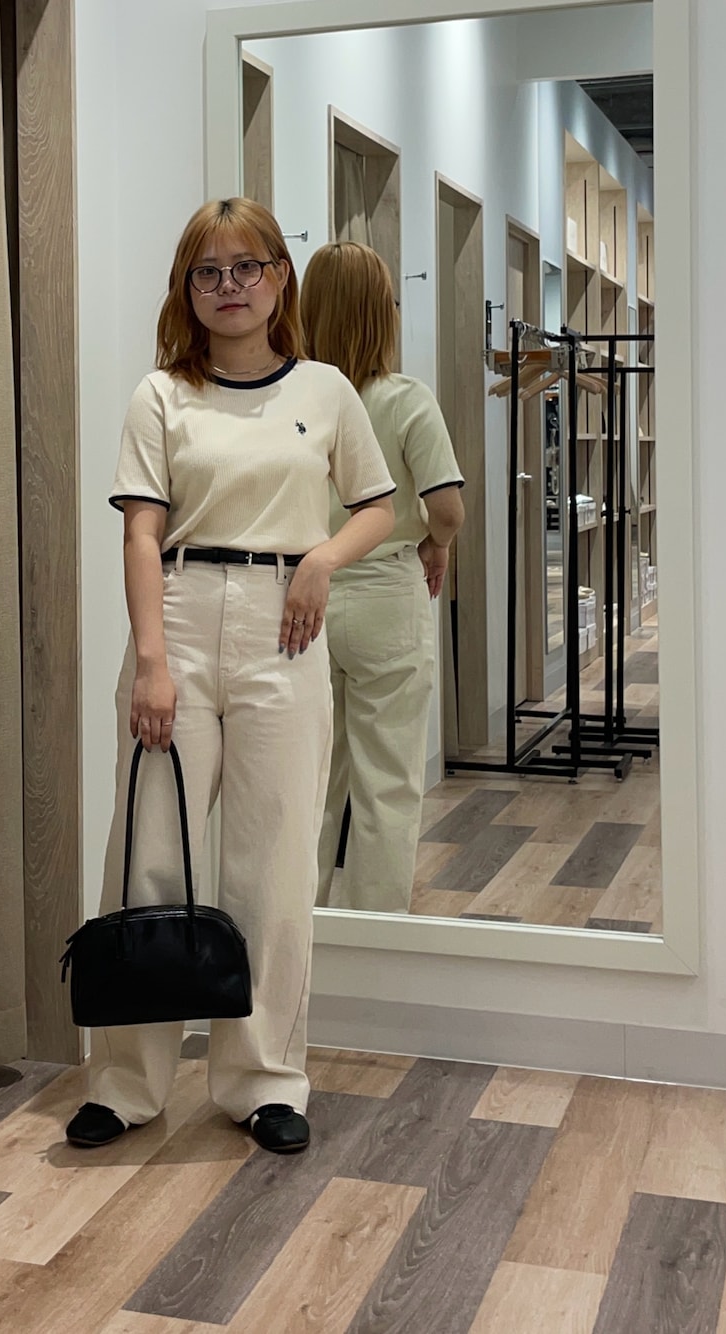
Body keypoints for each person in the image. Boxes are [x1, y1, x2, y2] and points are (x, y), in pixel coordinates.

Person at [65, 200, 395, 1155]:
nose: (229, 287)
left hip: (284, 624)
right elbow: (140, 533)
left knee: (276, 855)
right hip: (177, 614)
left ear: (281, 277)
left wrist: (324, 558)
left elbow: (377, 506)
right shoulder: (161, 395)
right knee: (148, 851)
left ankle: (264, 1080)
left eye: (247, 267)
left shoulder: (327, 391)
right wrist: (152, 662)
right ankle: (126, 1082)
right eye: (207, 272)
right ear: (188, 290)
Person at [300, 242, 465, 915]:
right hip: (386, 596)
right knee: (387, 785)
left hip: (303, 598)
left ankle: (301, 936)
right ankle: (375, 936)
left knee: (309, 783)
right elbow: (447, 509)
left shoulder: (292, 398)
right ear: (382, 312)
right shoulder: (405, 400)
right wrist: (436, 545)